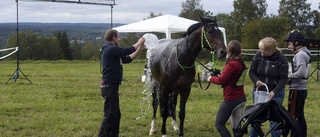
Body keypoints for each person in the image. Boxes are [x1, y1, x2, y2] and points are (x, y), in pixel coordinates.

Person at [98, 29, 145, 137]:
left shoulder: (112, 51)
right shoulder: (109, 49)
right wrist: (139, 42)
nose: (119, 39)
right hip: (109, 86)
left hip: (112, 87)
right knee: (109, 114)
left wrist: (139, 50)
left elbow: (127, 59)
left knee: (116, 115)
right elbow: (126, 51)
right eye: (118, 37)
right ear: (113, 37)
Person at [249, 37, 288, 137]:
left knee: (274, 119)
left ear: (271, 50)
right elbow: (252, 71)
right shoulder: (258, 56)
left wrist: (274, 92)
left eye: (264, 50)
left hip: (275, 93)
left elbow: (283, 79)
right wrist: (256, 81)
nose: (261, 52)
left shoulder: (282, 60)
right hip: (259, 92)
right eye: (260, 49)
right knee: (256, 116)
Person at [207, 40, 247, 137]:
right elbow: (232, 78)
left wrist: (210, 78)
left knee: (219, 125)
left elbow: (221, 81)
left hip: (231, 99)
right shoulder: (241, 63)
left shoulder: (232, 64)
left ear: (229, 50)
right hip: (241, 98)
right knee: (236, 128)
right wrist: (220, 74)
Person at [285, 30, 311, 137]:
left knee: (294, 116)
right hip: (299, 88)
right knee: (299, 115)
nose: (289, 47)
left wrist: (288, 77)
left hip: (297, 89)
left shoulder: (300, 55)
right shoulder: (304, 53)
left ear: (296, 43)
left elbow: (301, 72)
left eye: (290, 44)